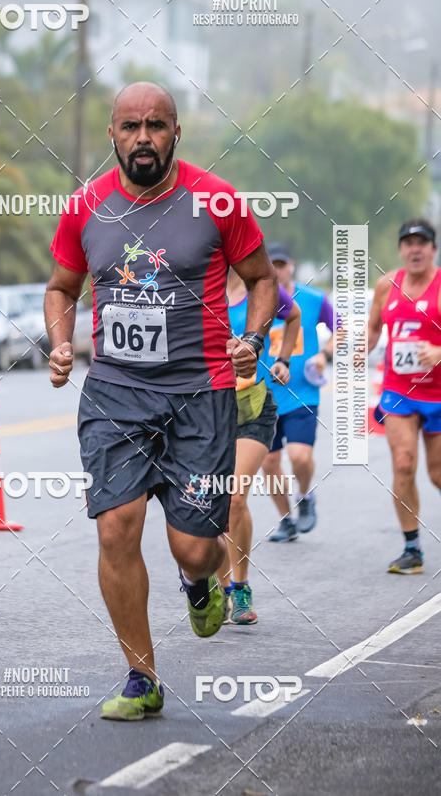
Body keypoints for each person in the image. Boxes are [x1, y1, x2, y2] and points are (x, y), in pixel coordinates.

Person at [45, 81, 278, 720]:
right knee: (116, 527)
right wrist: (62, 343)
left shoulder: (217, 200)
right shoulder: (87, 206)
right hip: (116, 395)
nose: (142, 137)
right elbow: (62, 287)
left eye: (155, 125)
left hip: (200, 393)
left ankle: (200, 580)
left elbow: (261, 280)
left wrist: (252, 337)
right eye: (129, 126)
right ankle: (141, 678)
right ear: (112, 136)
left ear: (177, 133)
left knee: (194, 547)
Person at [218, 268, 301, 624]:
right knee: (214, 504)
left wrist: (282, 358)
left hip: (253, 407)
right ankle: (218, 587)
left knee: (235, 496)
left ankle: (240, 589)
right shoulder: (193, 285)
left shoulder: (261, 286)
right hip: (205, 411)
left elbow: (293, 314)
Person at [367, 218, 441, 574]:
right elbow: (373, 327)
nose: (415, 249)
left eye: (421, 243)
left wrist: (439, 351)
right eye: (408, 243)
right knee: (403, 463)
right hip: (399, 391)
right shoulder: (386, 285)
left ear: (433, 250)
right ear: (400, 249)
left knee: (438, 474)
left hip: (438, 392)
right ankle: (412, 548)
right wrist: (357, 349)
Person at [261, 243, 336, 542]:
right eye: (272, 264)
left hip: (302, 393)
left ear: (292, 265)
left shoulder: (314, 299)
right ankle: (286, 520)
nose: (277, 269)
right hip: (263, 394)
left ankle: (305, 497)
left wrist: (325, 355)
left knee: (300, 457)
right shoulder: (257, 298)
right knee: (269, 462)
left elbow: (340, 327)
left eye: (282, 264)